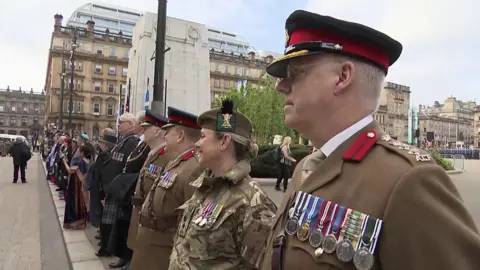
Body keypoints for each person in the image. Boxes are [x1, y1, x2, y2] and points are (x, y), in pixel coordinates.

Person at [261, 10, 480, 270]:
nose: (281, 86)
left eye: (294, 73)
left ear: (342, 77)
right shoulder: (306, 167)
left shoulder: (409, 181)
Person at [168, 99, 277, 270]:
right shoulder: (206, 187)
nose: (196, 143)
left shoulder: (251, 201)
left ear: (224, 141)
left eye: (203, 136)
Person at [130, 107, 204, 270]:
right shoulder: (176, 162)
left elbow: (190, 224)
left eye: (167, 132)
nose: (164, 136)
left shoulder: (193, 169)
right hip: (149, 247)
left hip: (161, 254)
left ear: (180, 136)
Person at [107, 111, 151, 270]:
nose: (142, 127)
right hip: (127, 190)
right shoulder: (138, 142)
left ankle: (129, 259)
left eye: (143, 124)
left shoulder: (137, 142)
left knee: (129, 228)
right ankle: (124, 257)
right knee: (124, 226)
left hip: (132, 190)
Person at [126, 110, 169, 260]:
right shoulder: (151, 153)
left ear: (157, 131)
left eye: (146, 128)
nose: (142, 130)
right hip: (140, 213)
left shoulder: (166, 156)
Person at [96, 113, 138, 263]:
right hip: (112, 187)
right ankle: (108, 246)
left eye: (122, 122)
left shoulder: (132, 142)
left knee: (115, 223)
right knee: (109, 221)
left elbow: (128, 168)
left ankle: (118, 253)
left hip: (120, 190)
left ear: (131, 125)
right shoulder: (123, 141)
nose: (118, 124)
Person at [90, 129, 117, 242]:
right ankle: (101, 233)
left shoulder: (109, 156)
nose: (98, 143)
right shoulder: (101, 154)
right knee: (100, 213)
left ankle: (105, 239)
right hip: (99, 188)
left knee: (106, 217)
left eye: (101, 140)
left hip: (105, 189)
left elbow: (108, 174)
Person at [63, 144, 92, 229]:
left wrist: (65, 162)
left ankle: (74, 223)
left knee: (74, 203)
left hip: (76, 185)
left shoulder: (79, 161)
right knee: (83, 203)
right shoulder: (89, 161)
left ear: (82, 152)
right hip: (84, 184)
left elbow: (70, 171)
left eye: (80, 150)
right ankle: (82, 222)